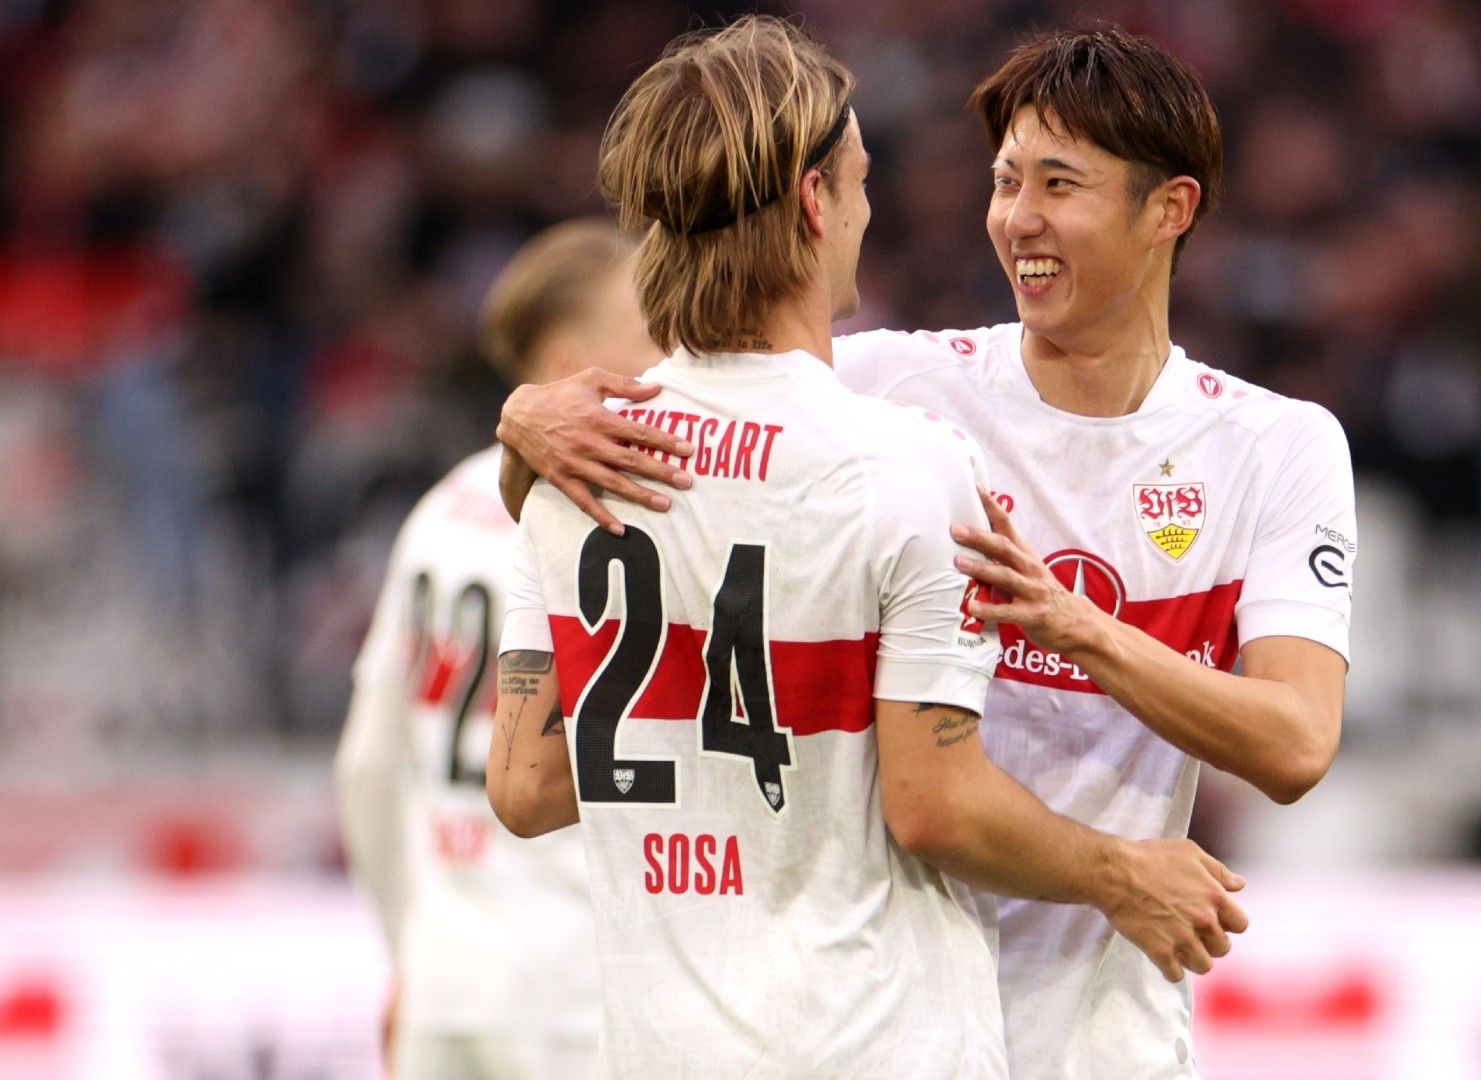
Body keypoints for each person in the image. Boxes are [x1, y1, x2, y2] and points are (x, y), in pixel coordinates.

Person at [497, 26, 1354, 1080]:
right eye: (1005, 181)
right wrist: (525, 419)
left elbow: (1297, 742)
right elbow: (701, 392)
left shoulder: (1275, 446)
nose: (1018, 219)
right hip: (889, 1010)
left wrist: (1080, 628)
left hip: (1096, 1035)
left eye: (1059, 183)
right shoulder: (889, 400)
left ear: (1168, 209)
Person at [335, 217, 662, 1079]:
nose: (673, 363)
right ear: (565, 367)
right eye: (650, 337)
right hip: (578, 993)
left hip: (447, 982)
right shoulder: (619, 517)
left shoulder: (438, 510)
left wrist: (409, 944)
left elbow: (370, 763)